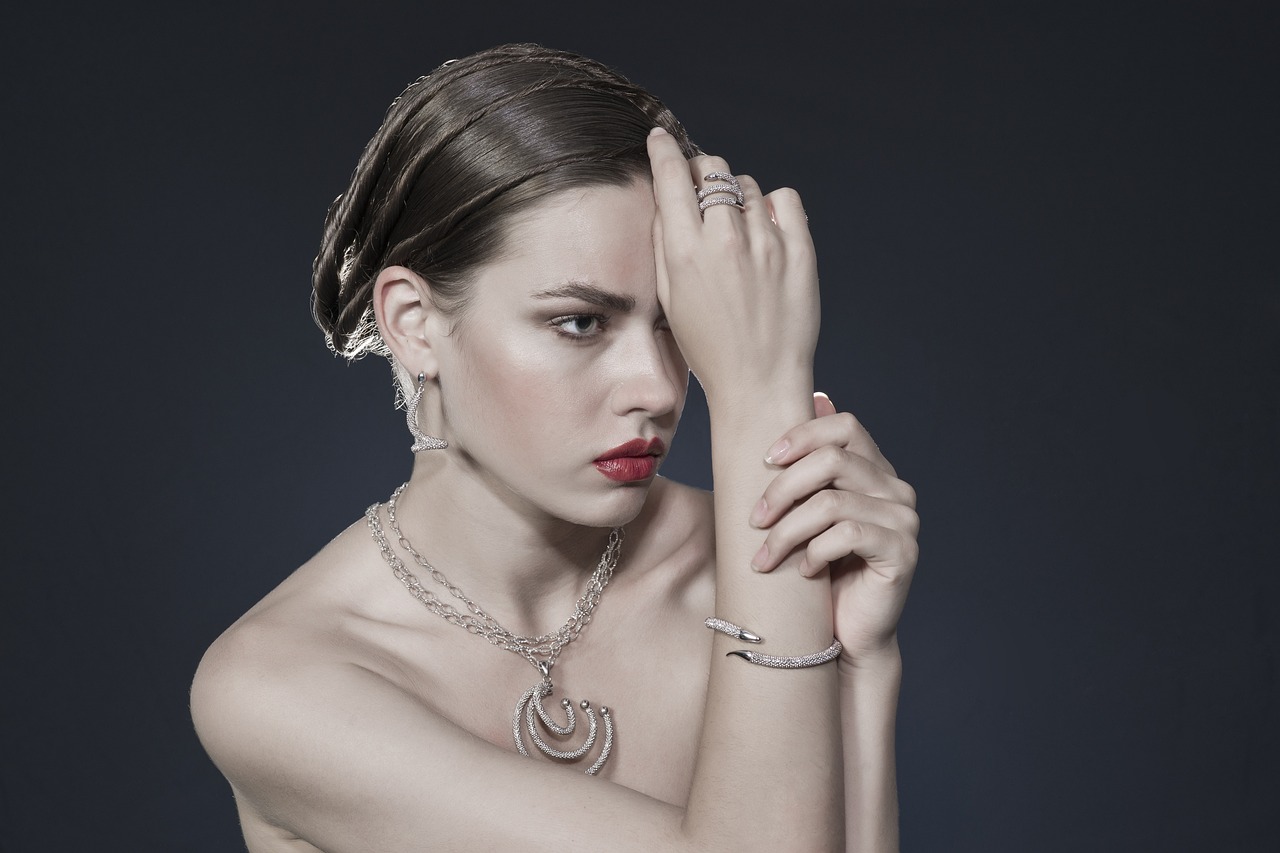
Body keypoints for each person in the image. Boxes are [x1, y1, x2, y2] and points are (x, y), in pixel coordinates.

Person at [191, 43, 918, 852]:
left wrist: (860, 663)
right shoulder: (279, 683)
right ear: (414, 322)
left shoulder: (752, 568)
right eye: (580, 322)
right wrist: (756, 398)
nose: (658, 385)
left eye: (677, 326)